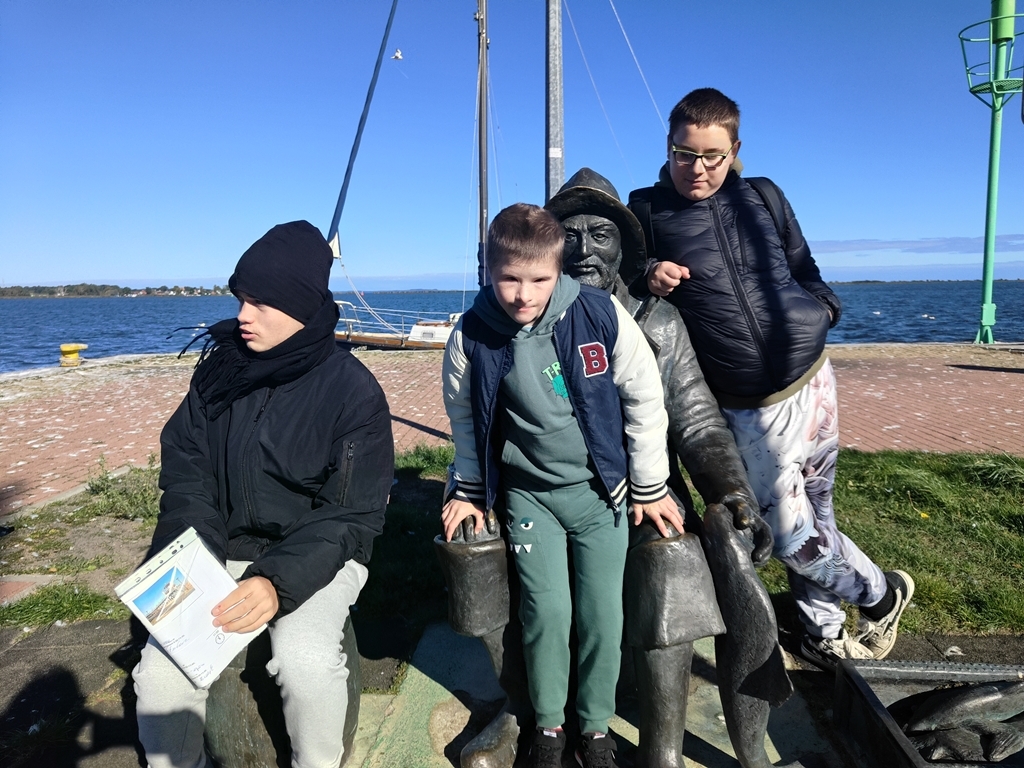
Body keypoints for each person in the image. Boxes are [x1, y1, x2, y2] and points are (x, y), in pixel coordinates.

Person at [630, 87, 914, 671]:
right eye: (685, 154)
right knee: (787, 534)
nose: (698, 169)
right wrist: (648, 271)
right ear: (668, 145)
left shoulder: (764, 194)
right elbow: (618, 273)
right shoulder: (646, 210)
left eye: (713, 156)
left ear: (735, 150)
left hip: (815, 379)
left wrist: (822, 310)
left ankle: (822, 631)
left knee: (818, 514)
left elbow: (803, 265)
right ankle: (882, 594)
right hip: (745, 404)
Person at [132, 220, 394, 768]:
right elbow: (187, 474)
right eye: (240, 299)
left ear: (300, 308)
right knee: (158, 675)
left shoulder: (354, 393)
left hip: (317, 555)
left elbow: (351, 514)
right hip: (220, 546)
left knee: (305, 660)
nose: (242, 316)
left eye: (260, 303)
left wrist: (275, 582)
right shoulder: (218, 372)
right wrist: (198, 561)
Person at [441, 202, 681, 768]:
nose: (523, 295)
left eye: (539, 280)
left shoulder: (597, 314)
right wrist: (468, 488)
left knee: (602, 614)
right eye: (509, 279)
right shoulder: (471, 333)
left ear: (558, 270)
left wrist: (650, 485)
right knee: (546, 613)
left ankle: (595, 728)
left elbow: (644, 397)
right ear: (488, 270)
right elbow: (464, 419)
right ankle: (549, 725)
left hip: (602, 495)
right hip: (530, 496)